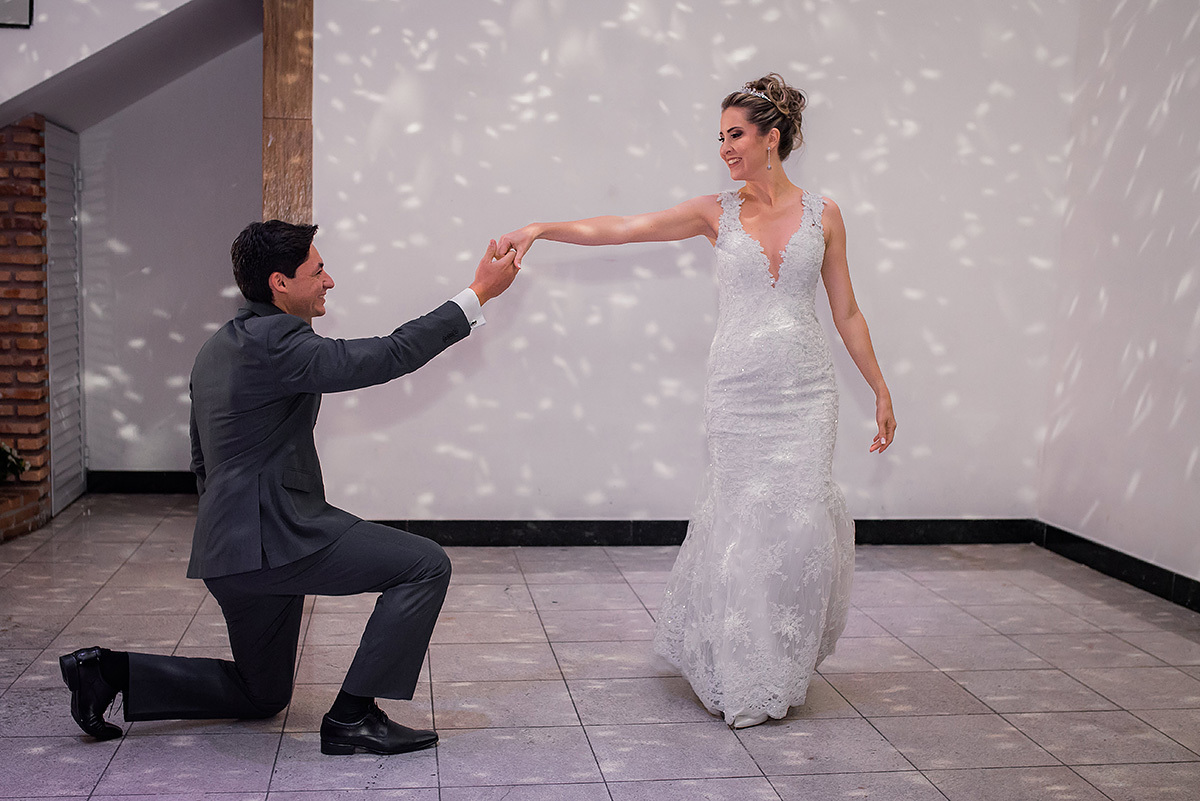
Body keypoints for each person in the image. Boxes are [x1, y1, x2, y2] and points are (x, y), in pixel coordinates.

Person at [498, 73, 895, 728]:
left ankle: (783, 660)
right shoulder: (718, 211)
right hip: (739, 389)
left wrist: (879, 386)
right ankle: (741, 666)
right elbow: (625, 226)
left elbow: (847, 311)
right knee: (741, 522)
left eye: (735, 135)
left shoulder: (826, 215)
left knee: (797, 526)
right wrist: (542, 227)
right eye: (720, 137)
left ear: (772, 137)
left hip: (805, 390)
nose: (724, 148)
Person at [59, 220, 520, 754]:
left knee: (262, 694)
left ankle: (107, 672)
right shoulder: (278, 342)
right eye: (318, 270)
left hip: (228, 552)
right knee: (424, 564)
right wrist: (479, 292)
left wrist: (232, 532)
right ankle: (353, 717)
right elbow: (388, 355)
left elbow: (199, 455)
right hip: (274, 537)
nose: (329, 281)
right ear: (280, 283)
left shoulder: (218, 347)